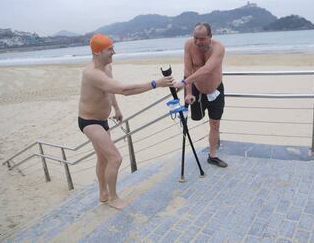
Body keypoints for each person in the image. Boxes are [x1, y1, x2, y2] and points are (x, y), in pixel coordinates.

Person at [78, 34, 173, 209]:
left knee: (103, 158)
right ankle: (113, 198)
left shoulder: (107, 67)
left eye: (113, 48)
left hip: (102, 120)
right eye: (110, 49)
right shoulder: (91, 73)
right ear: (97, 52)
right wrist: (155, 84)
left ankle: (103, 193)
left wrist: (116, 108)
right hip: (89, 122)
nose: (114, 52)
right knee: (115, 158)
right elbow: (124, 89)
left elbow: (109, 90)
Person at [174, 23, 228, 168]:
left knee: (215, 123)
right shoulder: (189, 45)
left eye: (202, 39)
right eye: (195, 38)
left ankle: (213, 155)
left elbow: (207, 69)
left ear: (210, 36)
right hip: (196, 88)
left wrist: (184, 82)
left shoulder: (219, 48)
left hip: (215, 90)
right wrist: (189, 92)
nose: (197, 42)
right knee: (196, 118)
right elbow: (188, 69)